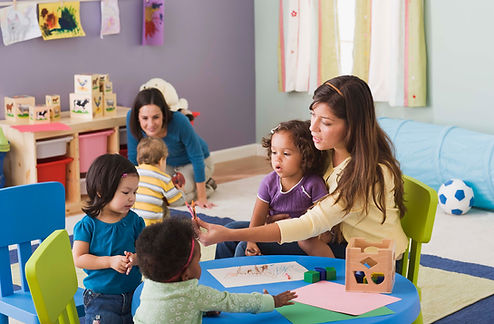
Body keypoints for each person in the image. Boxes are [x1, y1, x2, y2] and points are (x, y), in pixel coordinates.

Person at [196, 75, 408, 260]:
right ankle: (216, 301)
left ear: (352, 126)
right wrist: (261, 224)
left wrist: (231, 234)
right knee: (234, 233)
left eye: (325, 122)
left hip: (368, 258)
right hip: (332, 239)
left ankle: (240, 303)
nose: (312, 127)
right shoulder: (326, 154)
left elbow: (310, 224)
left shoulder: (369, 173)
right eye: (313, 115)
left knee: (241, 243)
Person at [133, 218, 297, 324]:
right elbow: (232, 302)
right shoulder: (195, 294)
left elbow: (171, 309)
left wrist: (202, 310)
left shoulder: (150, 283)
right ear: (187, 274)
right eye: (198, 261)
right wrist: (271, 301)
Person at [215, 120, 330, 259]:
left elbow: (324, 222)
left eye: (286, 154)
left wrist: (250, 243)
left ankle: (238, 279)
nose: (277, 159)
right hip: (272, 229)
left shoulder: (313, 184)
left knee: (242, 246)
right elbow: (258, 217)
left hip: (298, 238)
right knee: (230, 230)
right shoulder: (269, 182)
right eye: (274, 152)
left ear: (305, 156)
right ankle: (218, 275)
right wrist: (252, 240)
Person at [73, 154, 146, 324]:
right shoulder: (87, 225)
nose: (132, 198)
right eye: (126, 192)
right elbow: (79, 258)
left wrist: (136, 259)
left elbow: (147, 252)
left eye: (135, 192)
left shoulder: (135, 221)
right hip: (101, 298)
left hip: (135, 293)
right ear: (101, 192)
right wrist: (110, 262)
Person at [127, 87, 216, 208]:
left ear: (164, 114)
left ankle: (208, 186)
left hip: (195, 163)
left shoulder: (180, 121)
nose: (150, 124)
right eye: (145, 118)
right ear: (137, 116)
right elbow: (133, 157)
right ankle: (197, 186)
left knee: (175, 194)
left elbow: (197, 157)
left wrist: (202, 197)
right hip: (165, 164)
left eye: (156, 117)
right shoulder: (131, 119)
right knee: (155, 192)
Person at [133, 137, 185, 226]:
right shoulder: (164, 178)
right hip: (152, 228)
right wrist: (181, 192)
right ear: (161, 160)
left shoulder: (133, 172)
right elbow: (177, 202)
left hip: (132, 225)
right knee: (164, 208)